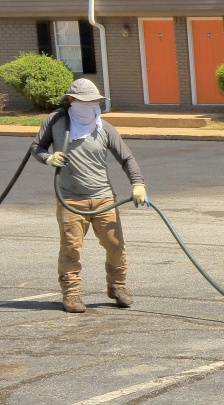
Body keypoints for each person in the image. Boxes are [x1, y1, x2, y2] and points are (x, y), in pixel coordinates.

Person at [29, 78, 148, 314]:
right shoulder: (55, 122)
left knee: (115, 245)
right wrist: (48, 158)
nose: (91, 105)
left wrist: (138, 184)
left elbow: (127, 158)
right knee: (71, 248)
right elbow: (36, 147)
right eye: (85, 101)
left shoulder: (104, 127)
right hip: (70, 199)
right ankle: (71, 295)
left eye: (94, 101)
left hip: (103, 197)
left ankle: (117, 287)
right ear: (71, 101)